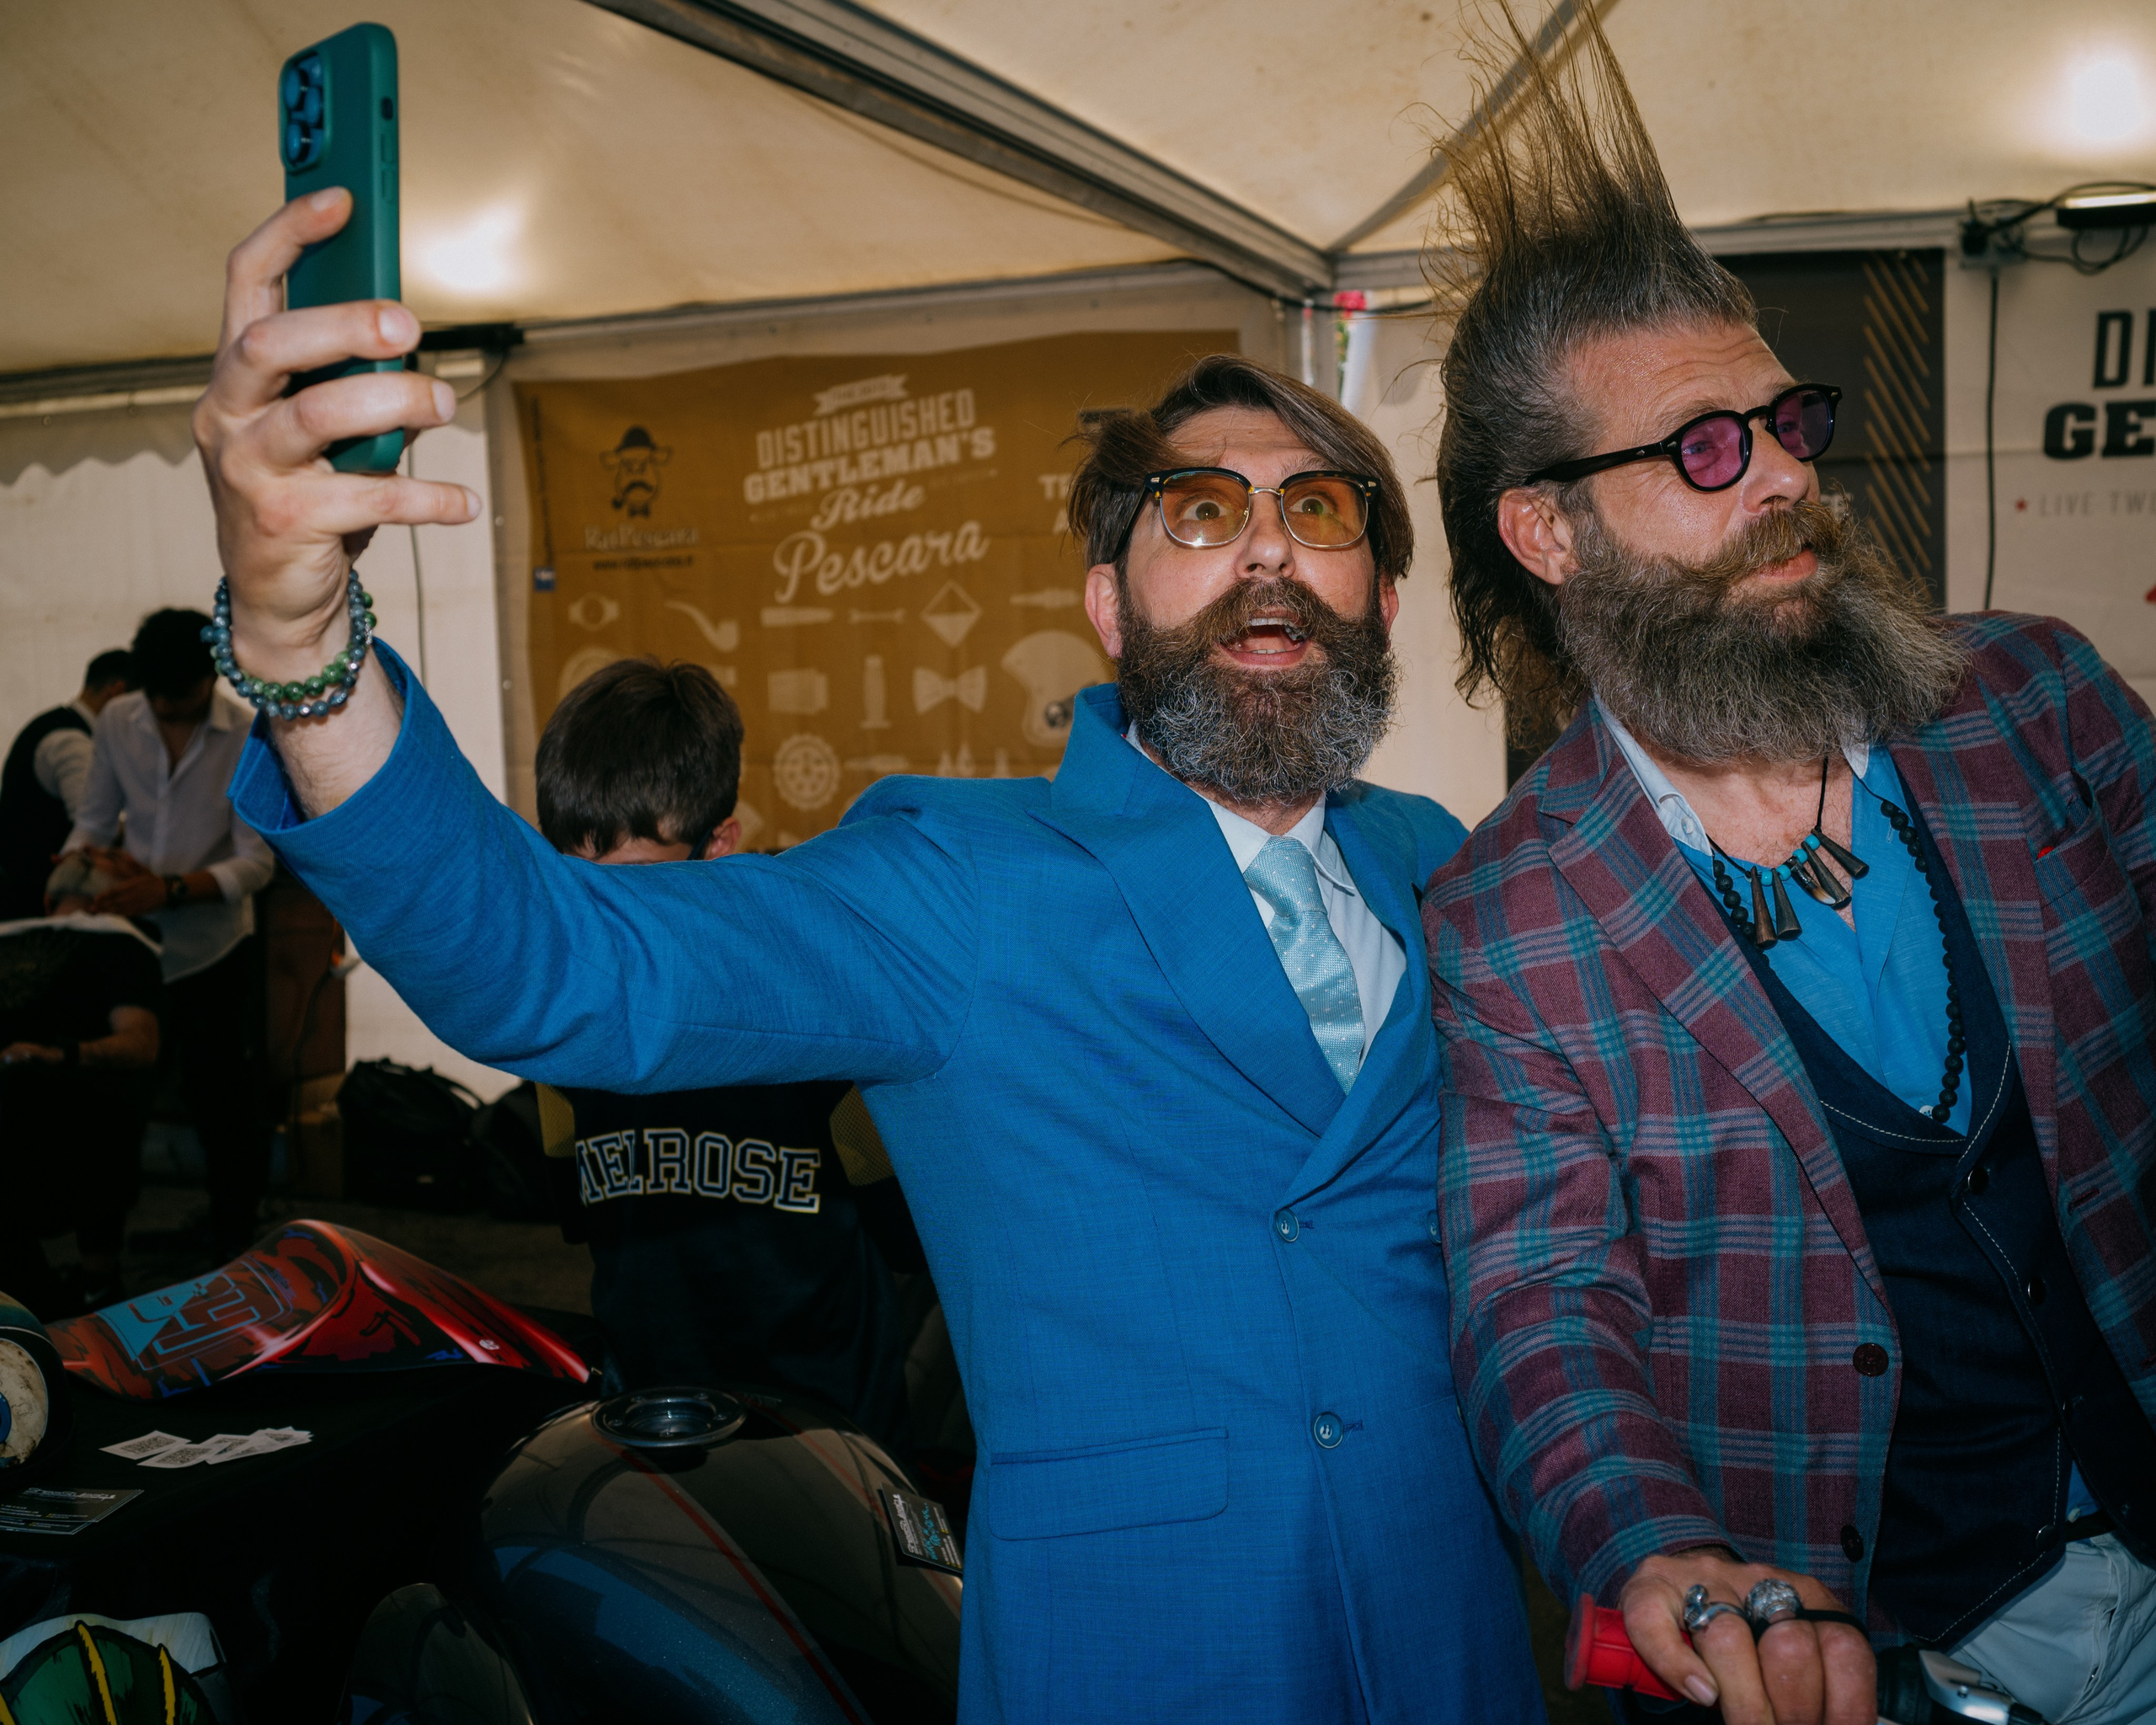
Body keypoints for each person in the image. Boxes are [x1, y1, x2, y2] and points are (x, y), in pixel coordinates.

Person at [189, 184, 1543, 1724]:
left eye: (1320, 511)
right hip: (1141, 1663)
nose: (1268, 552)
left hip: (1456, 1652)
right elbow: (556, 961)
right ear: (1109, 606)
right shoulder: (961, 883)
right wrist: (300, 650)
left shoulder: (1442, 865)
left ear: (1382, 595)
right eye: (1200, 511)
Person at [1420, 11, 2156, 1725]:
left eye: (1786, 420)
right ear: (1546, 529)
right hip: (1884, 1654)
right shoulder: (1510, 917)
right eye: (1703, 447)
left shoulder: (2032, 700)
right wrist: (1652, 1540)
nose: (1782, 478)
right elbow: (1541, 1300)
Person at [531, 654, 916, 1445]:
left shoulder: (817, 988)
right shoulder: (561, 1012)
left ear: (720, 844)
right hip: (651, 1417)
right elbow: (575, 1210)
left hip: (825, 1430)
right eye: (576, 880)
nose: (600, 914)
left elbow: (904, 1227)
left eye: (635, 879)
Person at [63, 609, 275, 1258]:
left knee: (224, 1110)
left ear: (212, 677)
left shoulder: (248, 735)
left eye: (177, 698)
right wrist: (73, 873)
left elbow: (257, 863)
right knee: (112, 1109)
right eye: (152, 694)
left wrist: (171, 888)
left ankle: (234, 1250)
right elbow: (93, 822)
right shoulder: (117, 721)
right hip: (131, 945)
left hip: (214, 950)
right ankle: (99, 1260)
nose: (161, 708)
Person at [0, 857, 163, 1314]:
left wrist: (59, 1054)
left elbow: (141, 1045)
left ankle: (76, 1285)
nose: (89, 851)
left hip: (58, 1090)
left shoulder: (120, 945)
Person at [0, 649, 135, 921]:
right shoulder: (72, 742)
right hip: (39, 898)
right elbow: (92, 822)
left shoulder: (54, 724)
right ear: (117, 692)